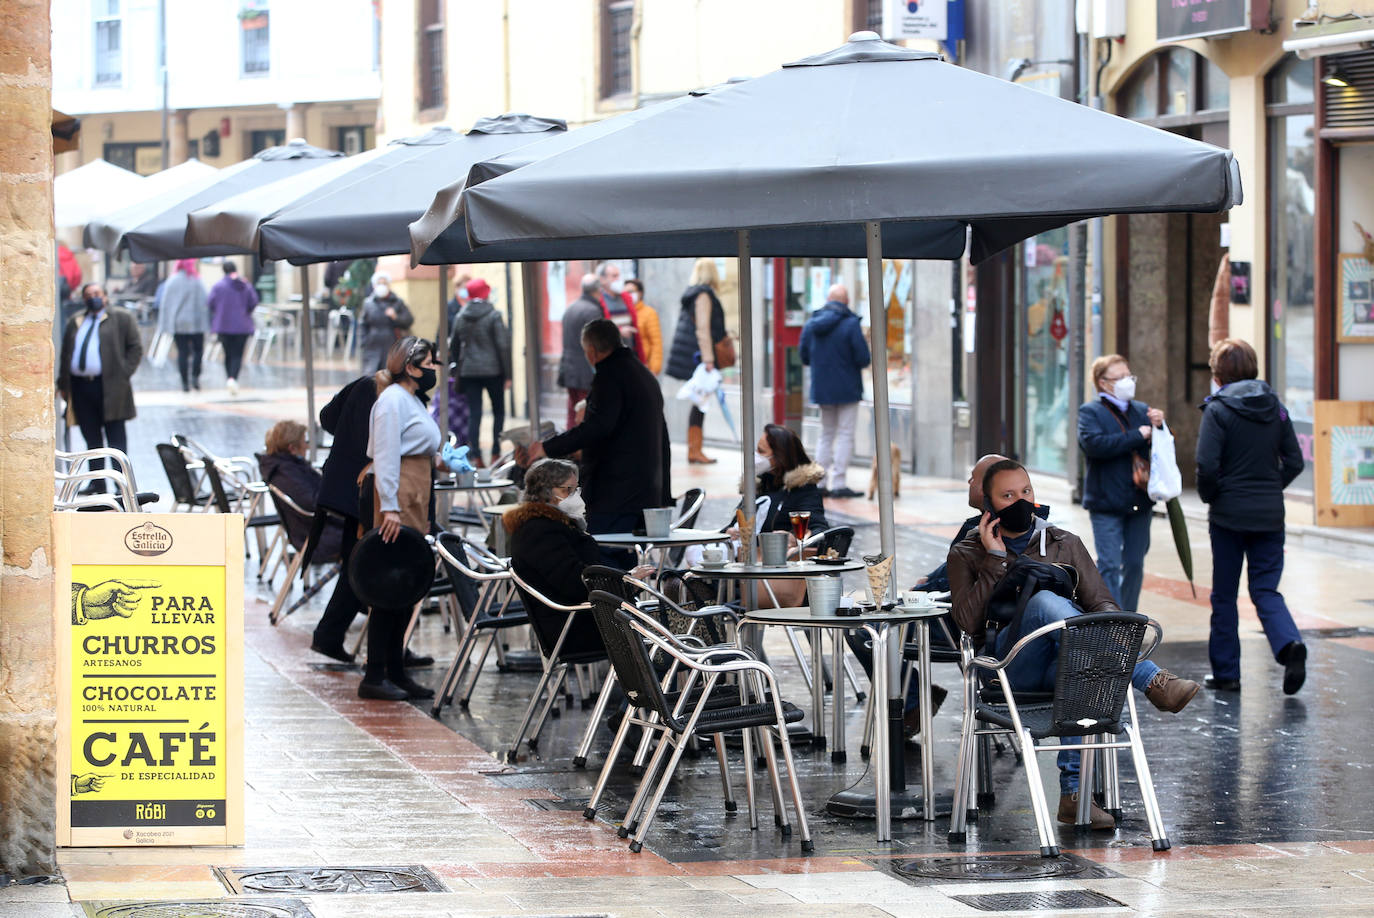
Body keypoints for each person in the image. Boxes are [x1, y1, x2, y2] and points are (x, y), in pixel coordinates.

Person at [947, 458, 1199, 829]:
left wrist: (1081, 625)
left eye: (1026, 491)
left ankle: (1074, 797)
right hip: (1006, 669)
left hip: (1063, 664)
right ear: (988, 505)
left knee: (1083, 652)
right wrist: (997, 560)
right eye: (1007, 495)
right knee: (1045, 603)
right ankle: (1150, 678)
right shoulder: (967, 552)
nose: (1021, 501)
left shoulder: (1064, 542)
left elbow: (1105, 606)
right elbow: (966, 624)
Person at [1196, 338, 1306, 695]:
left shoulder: (1218, 409)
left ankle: (1227, 674)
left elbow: (1207, 467)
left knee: (1224, 596)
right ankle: (1290, 645)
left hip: (1228, 518)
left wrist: (1212, 496)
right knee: (1265, 589)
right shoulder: (1275, 406)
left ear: (1219, 373)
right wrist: (1271, 488)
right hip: (1270, 515)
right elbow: (1295, 461)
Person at [312, 372, 432, 669]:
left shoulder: (369, 387)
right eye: (428, 362)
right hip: (368, 488)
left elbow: (327, 418)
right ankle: (379, 653)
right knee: (369, 565)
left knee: (361, 562)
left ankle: (338, 635)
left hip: (352, 484)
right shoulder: (392, 398)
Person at [359, 336, 444, 700]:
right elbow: (387, 454)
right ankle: (375, 674)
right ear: (410, 367)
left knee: (405, 583)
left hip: (413, 490)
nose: (433, 369)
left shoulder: (408, 400)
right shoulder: (393, 400)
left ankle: (396, 668)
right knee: (389, 585)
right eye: (428, 362)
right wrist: (390, 506)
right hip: (398, 493)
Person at [530, 319, 671, 536]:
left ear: (592, 351)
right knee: (629, 563)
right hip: (646, 491)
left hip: (616, 493)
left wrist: (548, 448)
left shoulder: (609, 376)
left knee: (605, 560)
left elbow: (597, 427)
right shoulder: (643, 374)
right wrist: (663, 494)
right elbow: (662, 438)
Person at [1077, 354, 1165, 612]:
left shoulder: (1142, 410)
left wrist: (1160, 427)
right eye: (1121, 377)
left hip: (1139, 500)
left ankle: (1129, 616)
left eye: (1130, 376)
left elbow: (1160, 448)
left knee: (1135, 563)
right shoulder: (1090, 412)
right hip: (1106, 502)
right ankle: (1113, 619)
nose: (1128, 382)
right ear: (1103, 383)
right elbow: (1093, 445)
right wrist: (1136, 436)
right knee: (1109, 564)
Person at [57, 283, 143, 493]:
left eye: (96, 294)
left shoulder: (121, 318)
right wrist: (63, 383)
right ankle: (98, 482)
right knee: (92, 438)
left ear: (105, 296)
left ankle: (121, 485)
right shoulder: (76, 320)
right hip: (81, 387)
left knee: (116, 439)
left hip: (111, 387)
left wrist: (124, 373)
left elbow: (135, 347)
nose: (92, 298)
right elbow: (66, 353)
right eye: (88, 295)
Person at [742, 424, 827, 608]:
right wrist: (732, 531)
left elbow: (820, 530)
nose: (755, 456)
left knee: (695, 589)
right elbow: (735, 524)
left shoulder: (802, 490)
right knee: (681, 583)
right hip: (742, 568)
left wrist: (793, 538)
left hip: (769, 579)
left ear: (779, 456)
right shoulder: (758, 485)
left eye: (760, 451)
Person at [799, 283, 870, 498]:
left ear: (828, 300)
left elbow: (803, 355)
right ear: (846, 301)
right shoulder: (850, 324)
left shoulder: (812, 323)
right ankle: (839, 483)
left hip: (823, 388)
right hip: (848, 387)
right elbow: (863, 358)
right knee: (846, 434)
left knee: (826, 434)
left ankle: (820, 483)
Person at [666, 258, 729, 464]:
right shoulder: (703, 295)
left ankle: (695, 449)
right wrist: (709, 359)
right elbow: (703, 329)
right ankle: (694, 450)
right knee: (699, 404)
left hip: (693, 356)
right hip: (699, 358)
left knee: (699, 403)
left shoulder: (694, 293)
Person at [258, 420, 342, 563]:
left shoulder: (282, 467)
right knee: (378, 531)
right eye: (304, 442)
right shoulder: (287, 472)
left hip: (310, 529)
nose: (307, 446)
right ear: (292, 448)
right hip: (318, 535)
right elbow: (314, 502)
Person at [455, 278, 512, 465]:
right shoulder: (493, 315)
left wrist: (459, 366)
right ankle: (496, 453)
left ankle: (476, 455)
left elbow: (454, 345)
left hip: (469, 372)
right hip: (493, 370)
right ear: (486, 293)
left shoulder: (461, 316)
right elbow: (503, 346)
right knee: (499, 412)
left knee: (475, 413)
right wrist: (508, 374)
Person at [556, 273, 606, 430]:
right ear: (598, 291)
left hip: (570, 368)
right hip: (585, 371)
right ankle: (579, 451)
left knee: (573, 411)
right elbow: (597, 343)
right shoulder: (592, 311)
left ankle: (570, 448)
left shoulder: (571, 308)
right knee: (585, 412)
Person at [157, 259, 209, 392]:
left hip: (178, 323)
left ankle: (185, 382)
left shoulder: (172, 281)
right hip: (196, 323)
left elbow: (166, 305)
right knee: (198, 351)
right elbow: (206, 302)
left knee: (182, 352)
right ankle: (195, 377)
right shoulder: (197, 280)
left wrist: (164, 325)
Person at [208, 260, 258, 395]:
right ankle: (233, 378)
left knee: (228, 354)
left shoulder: (218, 286)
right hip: (242, 326)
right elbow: (253, 302)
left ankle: (230, 378)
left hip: (224, 326)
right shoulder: (245, 285)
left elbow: (210, 302)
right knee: (237, 354)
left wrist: (220, 311)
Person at [358, 271, 414, 373]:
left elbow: (409, 320)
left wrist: (396, 317)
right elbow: (362, 324)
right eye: (379, 283)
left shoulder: (397, 302)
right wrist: (364, 342)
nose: (382, 286)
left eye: (384, 283)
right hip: (372, 345)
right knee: (371, 376)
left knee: (390, 375)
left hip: (392, 345)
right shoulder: (368, 303)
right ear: (374, 286)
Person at [625, 278, 662, 375]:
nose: (628, 295)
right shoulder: (624, 313)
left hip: (643, 366)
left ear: (640, 293)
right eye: (625, 292)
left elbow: (656, 343)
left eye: (631, 292)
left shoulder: (649, 313)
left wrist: (654, 369)